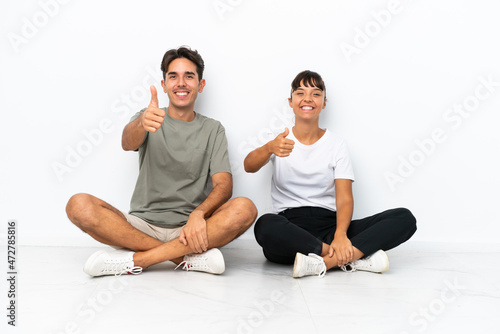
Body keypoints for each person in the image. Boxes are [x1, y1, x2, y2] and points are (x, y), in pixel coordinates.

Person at [66, 46, 257, 277]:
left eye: (189, 76)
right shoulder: (149, 116)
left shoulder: (213, 129)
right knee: (78, 205)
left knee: (245, 208)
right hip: (140, 226)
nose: (181, 83)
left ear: (201, 84)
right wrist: (141, 123)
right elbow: (127, 142)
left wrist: (198, 214)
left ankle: (140, 259)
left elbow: (224, 185)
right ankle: (184, 258)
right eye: (173, 76)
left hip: (191, 229)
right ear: (164, 84)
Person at [244, 70, 416, 278]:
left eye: (316, 94)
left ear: (324, 103)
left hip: (330, 226)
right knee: (265, 225)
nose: (308, 98)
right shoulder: (279, 140)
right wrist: (269, 147)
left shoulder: (336, 144)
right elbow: (248, 166)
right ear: (290, 101)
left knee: (404, 218)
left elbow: (344, 198)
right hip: (291, 230)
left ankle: (324, 262)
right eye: (300, 93)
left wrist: (341, 235)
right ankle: (346, 257)